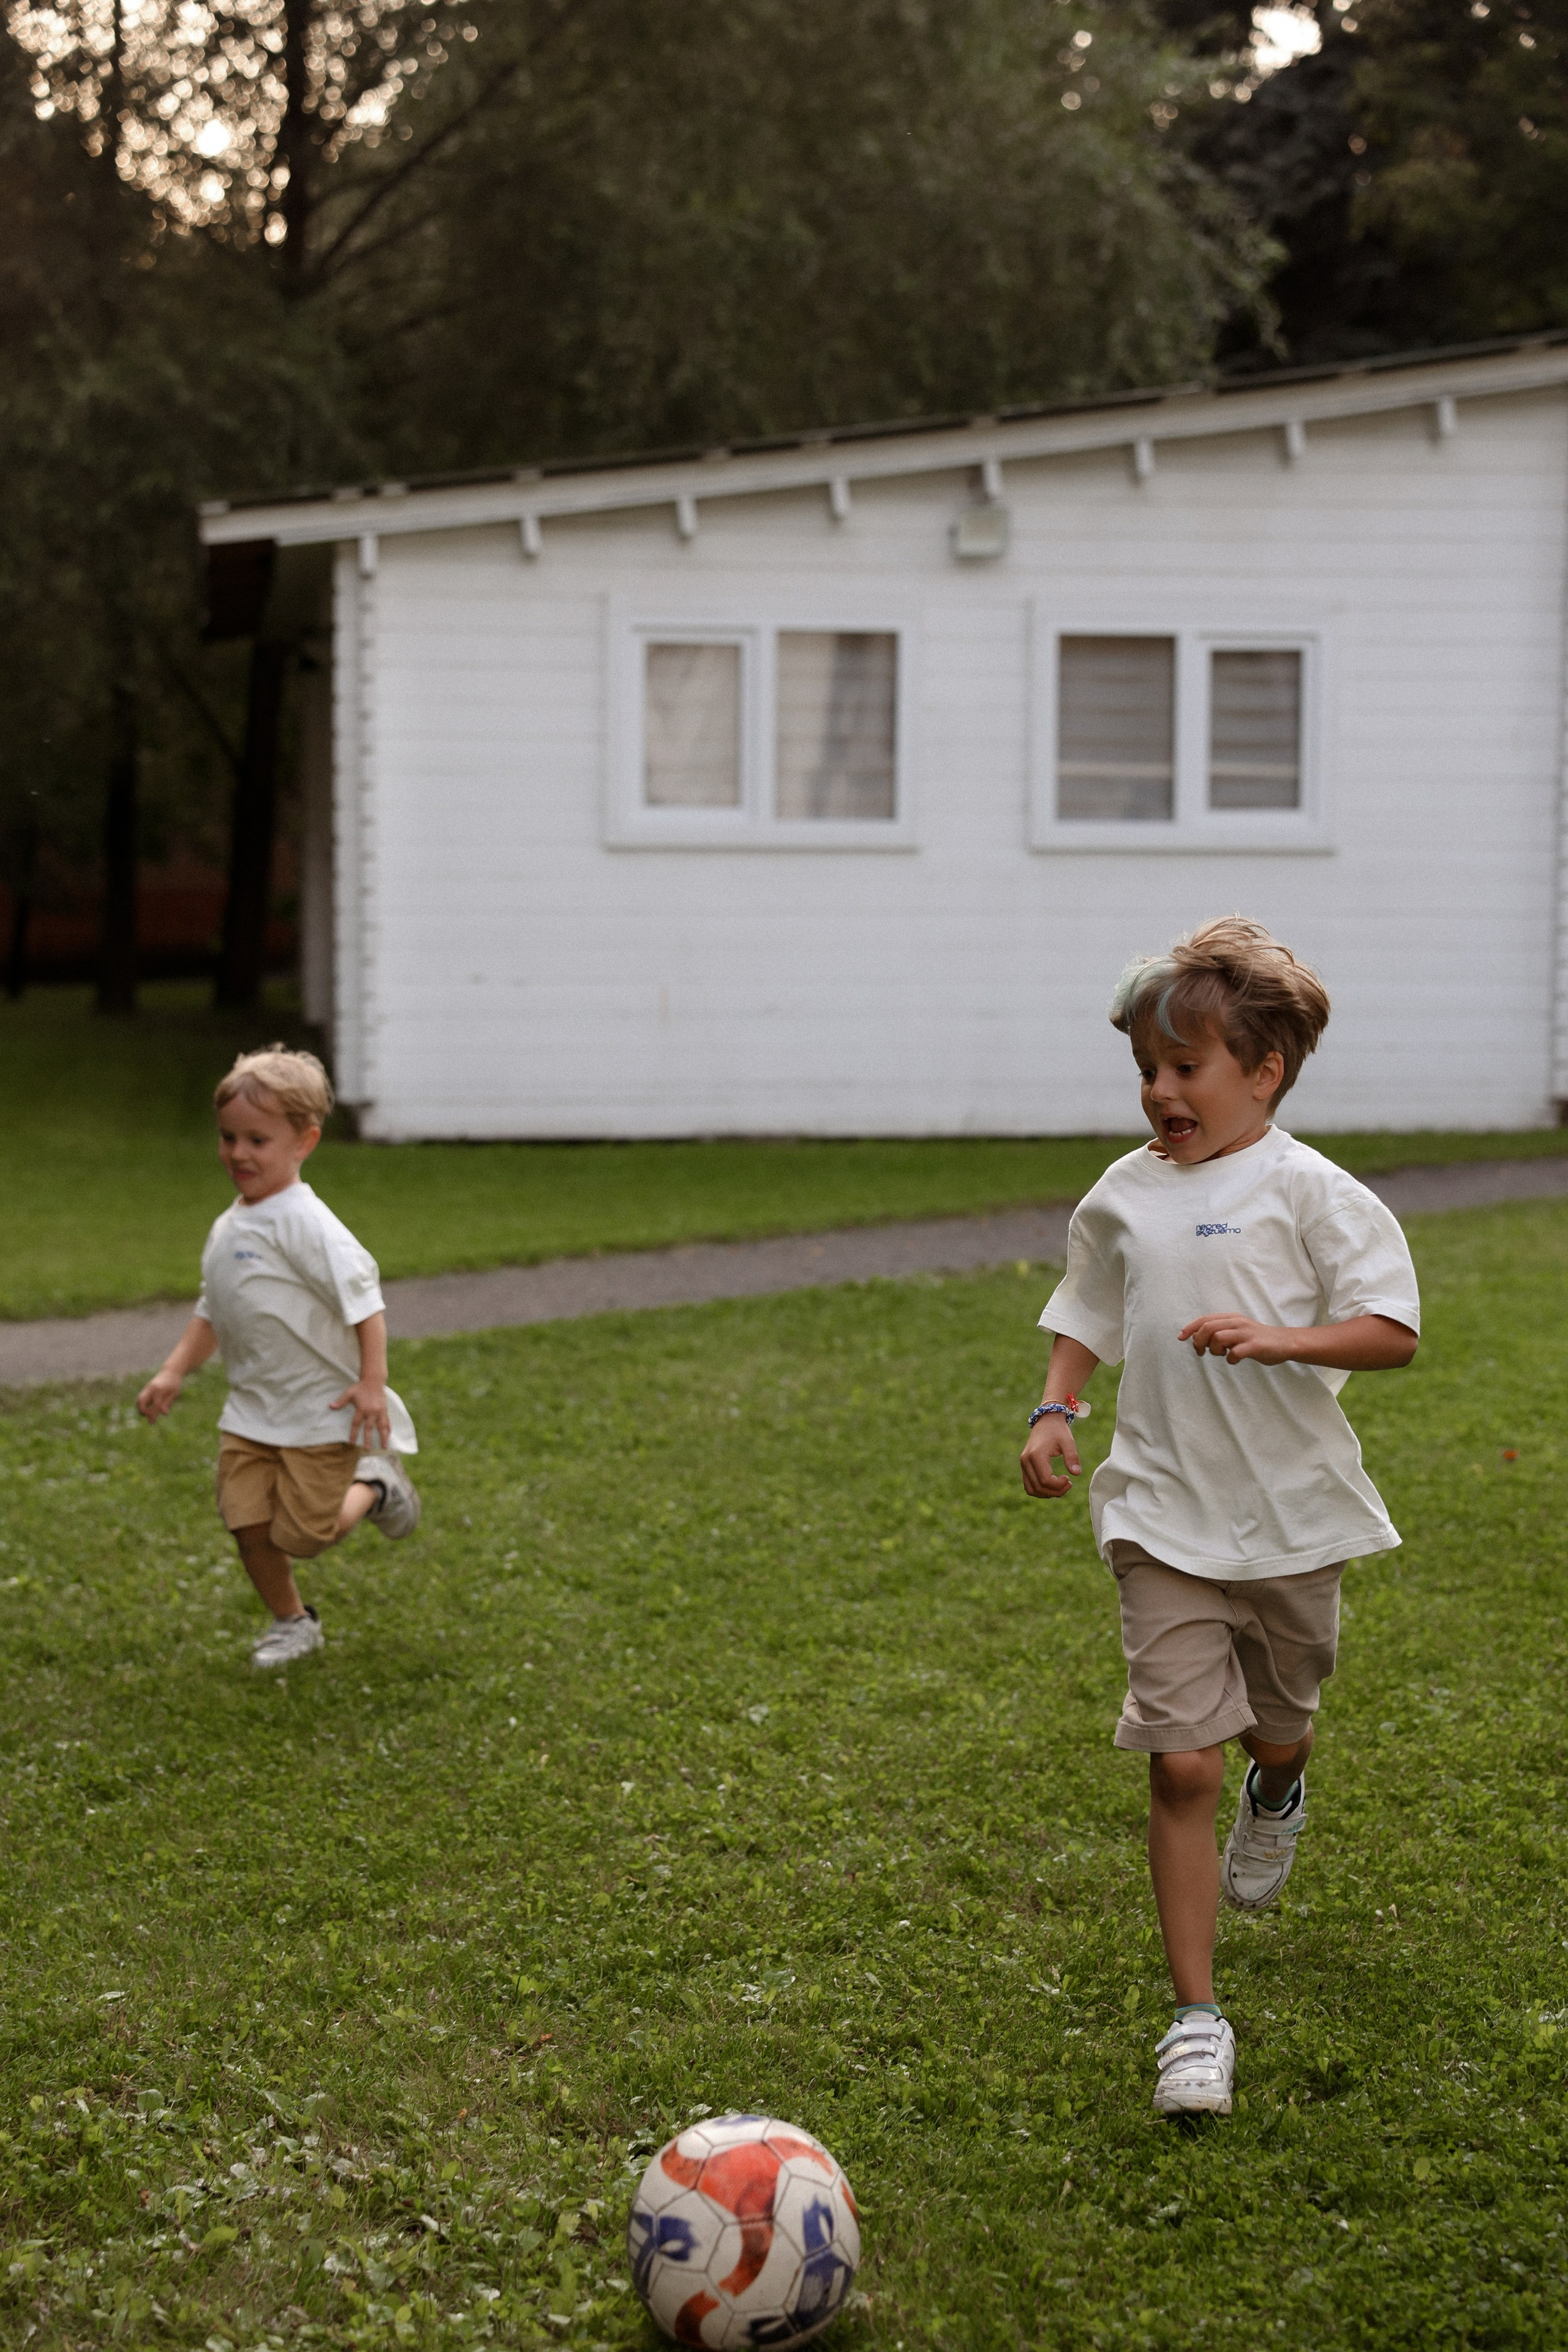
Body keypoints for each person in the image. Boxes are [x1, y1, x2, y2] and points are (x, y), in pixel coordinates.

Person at [1019, 918, 1419, 2117]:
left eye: (1183, 1069)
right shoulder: (1123, 1196)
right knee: (1181, 1762)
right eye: (1146, 1069)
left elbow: (1389, 1331)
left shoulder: (1310, 1192)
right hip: (1159, 1516)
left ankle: (1282, 1788)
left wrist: (1278, 1338)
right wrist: (1054, 1407)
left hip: (1290, 1522)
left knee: (1274, 1724)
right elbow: (1084, 1303)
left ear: (1262, 1074)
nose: (1158, 1092)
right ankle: (1194, 2019)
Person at [137, 1045, 421, 1670]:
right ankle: (293, 1622)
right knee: (247, 1525)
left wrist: (373, 1383)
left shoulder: (309, 1224)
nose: (239, 1153)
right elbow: (215, 1307)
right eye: (229, 1137)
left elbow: (365, 1303)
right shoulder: (229, 1225)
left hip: (320, 1411)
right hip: (252, 1410)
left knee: (307, 1535)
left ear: (305, 1141)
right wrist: (174, 1369)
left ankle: (374, 1484)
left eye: (257, 1140)